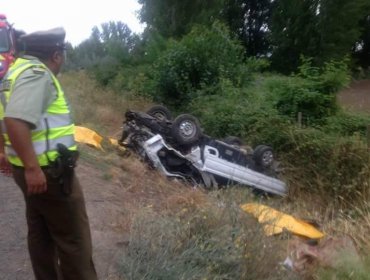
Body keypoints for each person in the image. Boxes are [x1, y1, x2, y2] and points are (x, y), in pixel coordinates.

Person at [0, 27, 98, 280]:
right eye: (62, 55)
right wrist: (32, 168)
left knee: (41, 234)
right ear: (56, 55)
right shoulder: (37, 75)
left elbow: (3, 117)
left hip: (33, 171)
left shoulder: (14, 72)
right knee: (73, 241)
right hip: (49, 175)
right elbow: (14, 120)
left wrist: (4, 152)